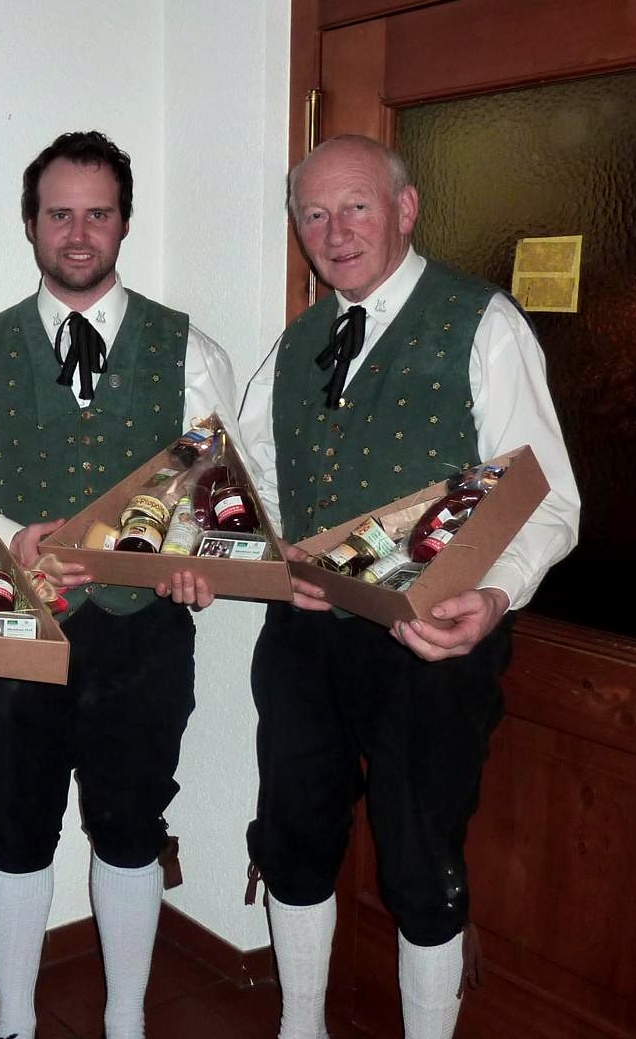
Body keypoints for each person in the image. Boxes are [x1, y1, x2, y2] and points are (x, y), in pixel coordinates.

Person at [239, 134, 581, 1039]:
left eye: (356, 206)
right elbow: (255, 483)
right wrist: (273, 560)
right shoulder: (296, 342)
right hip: (305, 635)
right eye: (314, 214)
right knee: (293, 836)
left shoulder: (482, 321)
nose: (335, 232)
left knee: (423, 862)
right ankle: (301, 1027)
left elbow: (549, 497)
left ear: (405, 208)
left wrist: (495, 598)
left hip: (431, 643)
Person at [0, 130, 239, 1039]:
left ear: (125, 222)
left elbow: (225, 493)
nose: (78, 233)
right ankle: (15, 1021)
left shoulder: (189, 348)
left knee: (132, 824)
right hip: (13, 626)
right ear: (31, 224)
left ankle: (126, 1020)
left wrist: (203, 560)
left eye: (97, 213)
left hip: (143, 628)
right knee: (17, 824)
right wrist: (10, 536)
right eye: (59, 214)